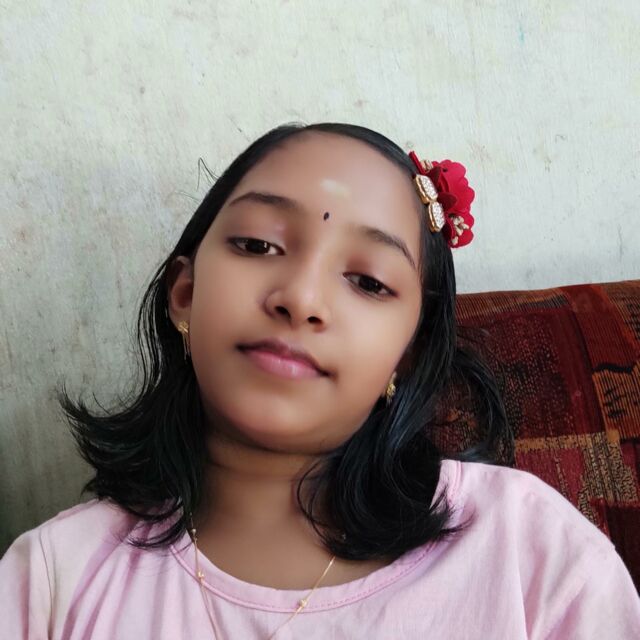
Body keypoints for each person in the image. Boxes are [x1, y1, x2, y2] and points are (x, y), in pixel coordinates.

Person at [1, 122, 638, 639]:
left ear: (408, 355)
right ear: (185, 293)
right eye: (258, 245)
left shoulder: (529, 552)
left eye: (368, 281)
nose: (301, 298)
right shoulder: (54, 582)